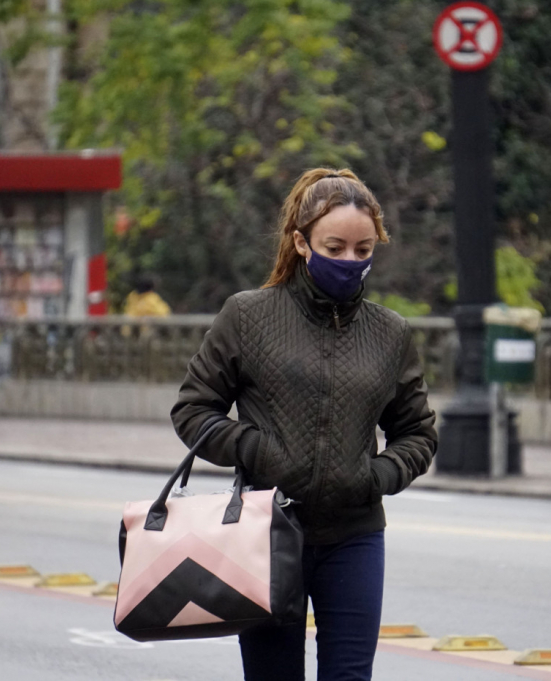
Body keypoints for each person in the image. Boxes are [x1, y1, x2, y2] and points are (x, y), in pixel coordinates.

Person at [171, 168, 438, 681]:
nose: (350, 263)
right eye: (334, 248)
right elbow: (193, 410)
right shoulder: (248, 316)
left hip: (354, 537)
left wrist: (374, 477)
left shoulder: (390, 333)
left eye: (363, 251)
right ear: (300, 241)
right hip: (267, 535)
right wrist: (259, 451)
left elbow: (418, 433)